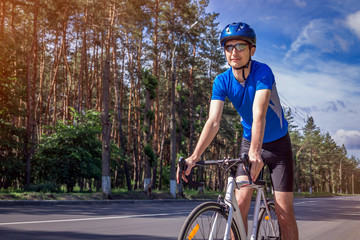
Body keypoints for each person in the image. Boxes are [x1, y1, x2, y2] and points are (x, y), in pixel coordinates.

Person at [176, 22, 299, 239]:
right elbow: (213, 121)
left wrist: (255, 151)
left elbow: (258, 113)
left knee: (284, 213)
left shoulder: (263, 72)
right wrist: (194, 157)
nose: (234, 52)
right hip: (249, 142)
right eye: (229, 47)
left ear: (252, 50)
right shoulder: (221, 81)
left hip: (278, 145)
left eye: (240, 46)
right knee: (239, 205)